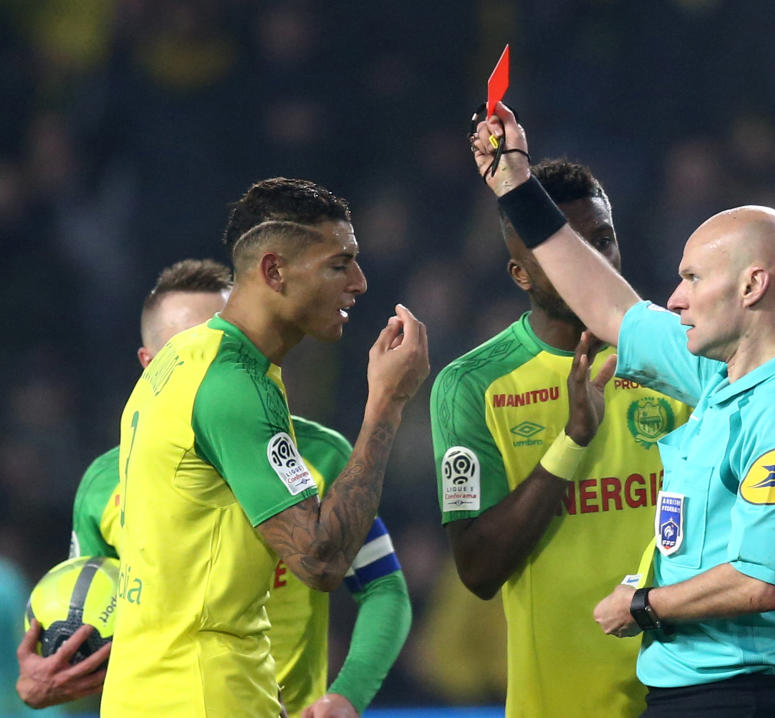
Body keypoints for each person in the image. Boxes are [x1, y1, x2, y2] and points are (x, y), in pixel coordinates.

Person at [471, 107, 775, 717]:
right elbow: (610, 308)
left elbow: (759, 581)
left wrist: (645, 604)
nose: (675, 298)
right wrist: (514, 181)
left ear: (750, 288)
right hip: (690, 694)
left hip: (736, 696)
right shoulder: (721, 374)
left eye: (693, 278)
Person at [16, 259, 412, 717]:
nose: (211, 361)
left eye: (227, 342)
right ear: (150, 365)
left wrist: (346, 696)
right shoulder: (105, 483)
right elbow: (89, 622)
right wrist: (49, 673)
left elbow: (383, 587)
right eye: (188, 347)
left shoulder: (321, 457)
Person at [100, 180, 429, 717]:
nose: (360, 283)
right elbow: (320, 560)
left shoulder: (181, 360)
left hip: (148, 683)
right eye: (338, 264)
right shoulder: (235, 387)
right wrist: (386, 405)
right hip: (203, 686)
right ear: (274, 271)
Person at [430, 159, 691, 717]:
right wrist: (572, 440)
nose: (589, 261)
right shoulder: (472, 385)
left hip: (687, 691)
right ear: (520, 272)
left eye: (602, 240)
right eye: (563, 248)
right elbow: (477, 569)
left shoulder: (681, 358)